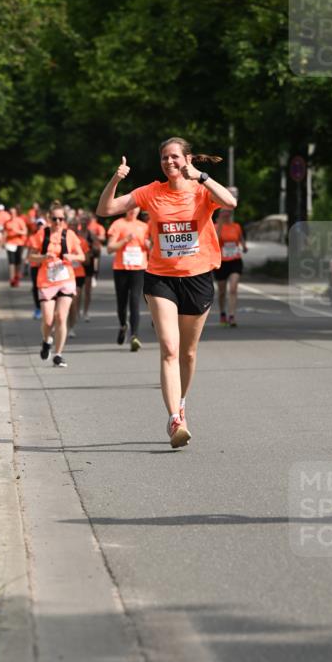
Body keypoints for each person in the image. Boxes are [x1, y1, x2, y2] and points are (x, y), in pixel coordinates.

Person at [97, 137, 236, 447]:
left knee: (187, 352)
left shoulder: (203, 191)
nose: (169, 162)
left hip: (198, 277)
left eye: (174, 157)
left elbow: (230, 203)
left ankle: (182, 402)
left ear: (187, 159)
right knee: (170, 349)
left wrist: (202, 177)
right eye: (164, 158)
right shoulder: (151, 192)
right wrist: (116, 179)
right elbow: (105, 208)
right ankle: (174, 419)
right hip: (161, 278)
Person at [28, 201, 85, 368]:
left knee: (61, 317)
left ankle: (58, 354)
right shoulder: (41, 234)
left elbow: (82, 256)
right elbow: (31, 257)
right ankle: (46, 340)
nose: (58, 222)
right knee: (47, 320)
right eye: (55, 219)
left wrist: (71, 257)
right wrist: (43, 258)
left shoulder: (70, 235)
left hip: (66, 279)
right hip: (46, 281)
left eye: (61, 219)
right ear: (48, 218)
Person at [107, 206, 150, 350]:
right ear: (125, 209)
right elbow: (109, 248)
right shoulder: (118, 224)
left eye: (135, 208)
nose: (132, 210)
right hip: (121, 268)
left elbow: (151, 246)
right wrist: (125, 240)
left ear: (139, 210)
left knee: (135, 300)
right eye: (130, 208)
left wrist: (149, 244)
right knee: (122, 302)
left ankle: (134, 336)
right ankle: (123, 325)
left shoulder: (144, 226)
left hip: (139, 268)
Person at [214, 207, 247, 326]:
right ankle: (223, 313)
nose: (226, 214)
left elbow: (241, 238)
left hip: (235, 260)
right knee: (222, 291)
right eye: (224, 212)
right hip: (221, 262)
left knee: (233, 289)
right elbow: (214, 241)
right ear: (220, 214)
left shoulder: (236, 226)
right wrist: (220, 225)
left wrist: (244, 246)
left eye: (228, 212)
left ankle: (232, 316)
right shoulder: (215, 226)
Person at [84, 214, 107, 319]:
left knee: (96, 263)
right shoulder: (79, 230)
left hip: (94, 252)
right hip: (81, 261)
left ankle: (94, 275)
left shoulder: (98, 227)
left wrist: (95, 237)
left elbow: (102, 237)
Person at [25, 216, 47, 319]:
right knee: (35, 287)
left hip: (45, 266)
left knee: (45, 287)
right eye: (38, 224)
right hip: (35, 265)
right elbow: (29, 252)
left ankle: (46, 308)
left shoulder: (48, 236)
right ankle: (38, 308)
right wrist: (26, 261)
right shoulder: (32, 238)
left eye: (42, 224)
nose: (40, 226)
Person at [4, 207, 28, 286]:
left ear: (16, 213)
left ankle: (17, 277)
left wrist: (17, 232)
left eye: (13, 212)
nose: (12, 214)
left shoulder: (20, 221)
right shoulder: (7, 222)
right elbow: (5, 232)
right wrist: (4, 241)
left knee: (18, 261)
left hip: (19, 243)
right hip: (9, 243)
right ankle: (12, 278)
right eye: (10, 212)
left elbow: (25, 231)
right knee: (11, 261)